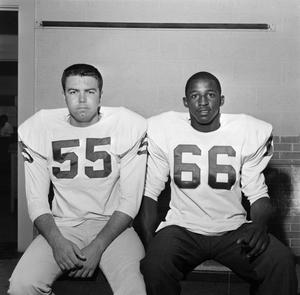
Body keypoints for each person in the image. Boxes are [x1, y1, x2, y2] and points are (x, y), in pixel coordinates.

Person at [136, 71, 298, 295]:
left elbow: (258, 194)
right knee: (154, 265)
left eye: (210, 94)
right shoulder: (164, 129)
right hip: (182, 228)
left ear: (221, 99)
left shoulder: (246, 131)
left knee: (280, 260)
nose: (203, 102)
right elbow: (149, 192)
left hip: (232, 229)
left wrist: (259, 225)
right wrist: (149, 243)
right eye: (195, 96)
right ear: (185, 101)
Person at [8, 63, 147, 295]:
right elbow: (36, 200)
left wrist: (98, 246)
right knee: (22, 285)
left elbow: (130, 201)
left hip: (114, 227)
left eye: (90, 92)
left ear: (101, 95)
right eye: (73, 92)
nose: (82, 100)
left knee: (134, 289)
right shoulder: (41, 127)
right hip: (62, 225)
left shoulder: (126, 125)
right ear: (64, 95)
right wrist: (56, 241)